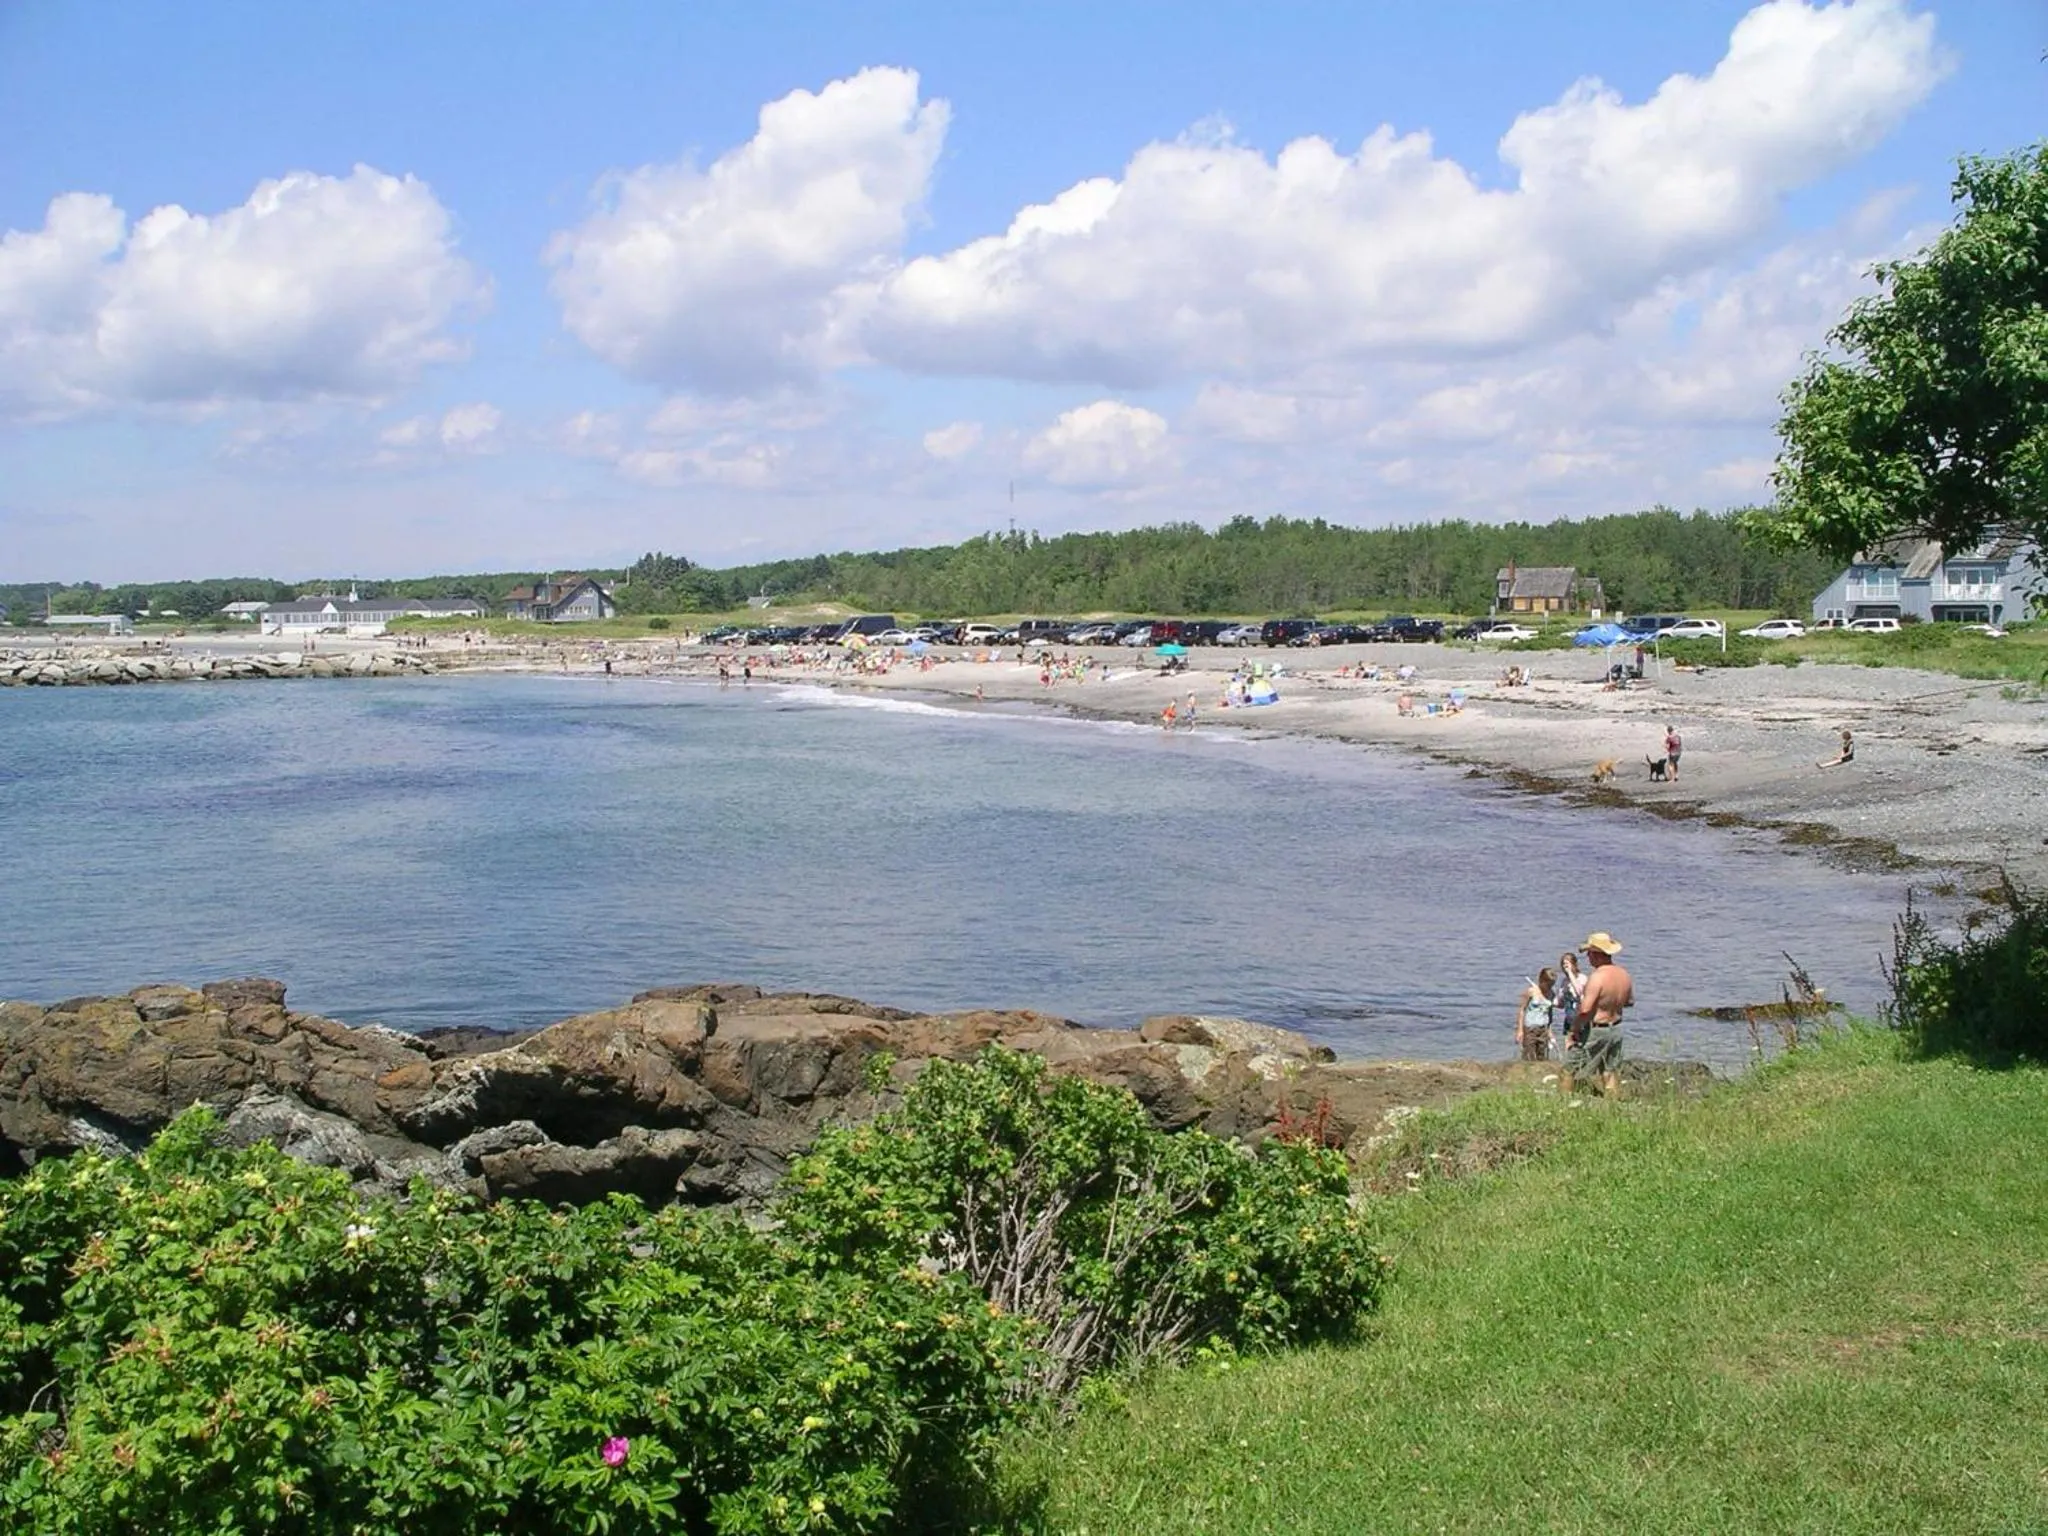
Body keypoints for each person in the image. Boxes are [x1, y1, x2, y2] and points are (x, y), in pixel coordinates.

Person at [1561, 932, 1633, 1099]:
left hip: (1597, 1030)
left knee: (1568, 1068)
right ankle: (1612, 1107)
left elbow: (1585, 1010)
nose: (1588, 958)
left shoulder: (1597, 977)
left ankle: (1562, 1105)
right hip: (1616, 1027)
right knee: (1609, 1071)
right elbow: (1629, 1001)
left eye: (1589, 954)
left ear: (1595, 954)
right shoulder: (1624, 975)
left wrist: (1574, 1031)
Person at [1515, 968, 1556, 1061]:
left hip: (1543, 1028)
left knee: (1542, 1055)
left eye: (1551, 985)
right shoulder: (1531, 991)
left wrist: (1550, 1032)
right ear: (1541, 980)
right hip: (1530, 1028)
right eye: (1548, 985)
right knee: (1529, 1055)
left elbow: (1549, 1014)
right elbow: (1522, 1010)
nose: (1549, 987)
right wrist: (1520, 1030)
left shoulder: (1551, 994)